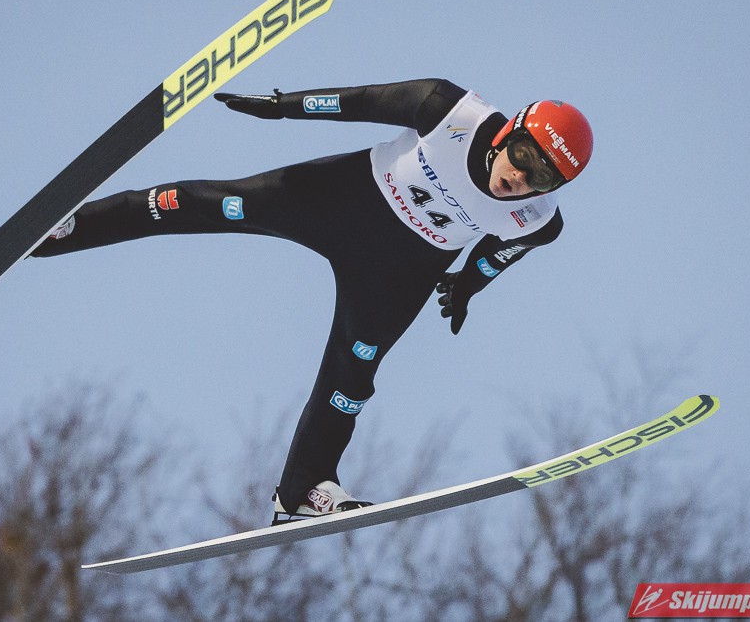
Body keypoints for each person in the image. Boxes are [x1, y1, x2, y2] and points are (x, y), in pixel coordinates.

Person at [31, 79, 594, 523]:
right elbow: (359, 103)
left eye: (542, 178)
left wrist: (468, 282)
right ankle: (71, 228)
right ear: (509, 132)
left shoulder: (538, 219)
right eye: (524, 156)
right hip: (340, 200)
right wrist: (283, 107)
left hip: (399, 272)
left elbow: (503, 250)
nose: (521, 178)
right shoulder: (450, 110)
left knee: (353, 377)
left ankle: (303, 489)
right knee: (212, 202)